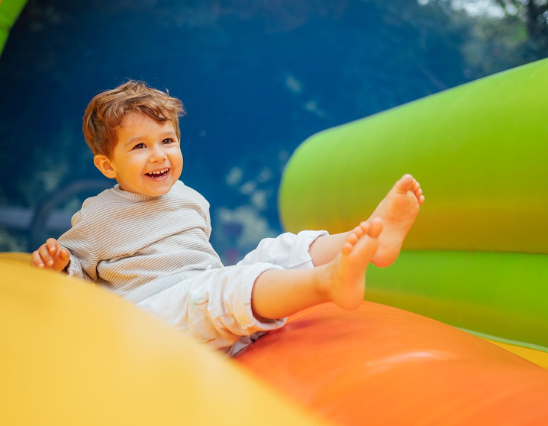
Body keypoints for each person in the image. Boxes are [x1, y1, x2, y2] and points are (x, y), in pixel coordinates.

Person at [30, 80, 424, 354]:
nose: (158, 155)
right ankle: (327, 282)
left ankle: (371, 239)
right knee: (222, 288)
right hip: (156, 319)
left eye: (168, 140)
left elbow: (202, 262)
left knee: (278, 249)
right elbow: (79, 275)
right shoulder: (98, 216)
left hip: (205, 296)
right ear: (107, 165)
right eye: (139, 146)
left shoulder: (190, 199)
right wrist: (61, 265)